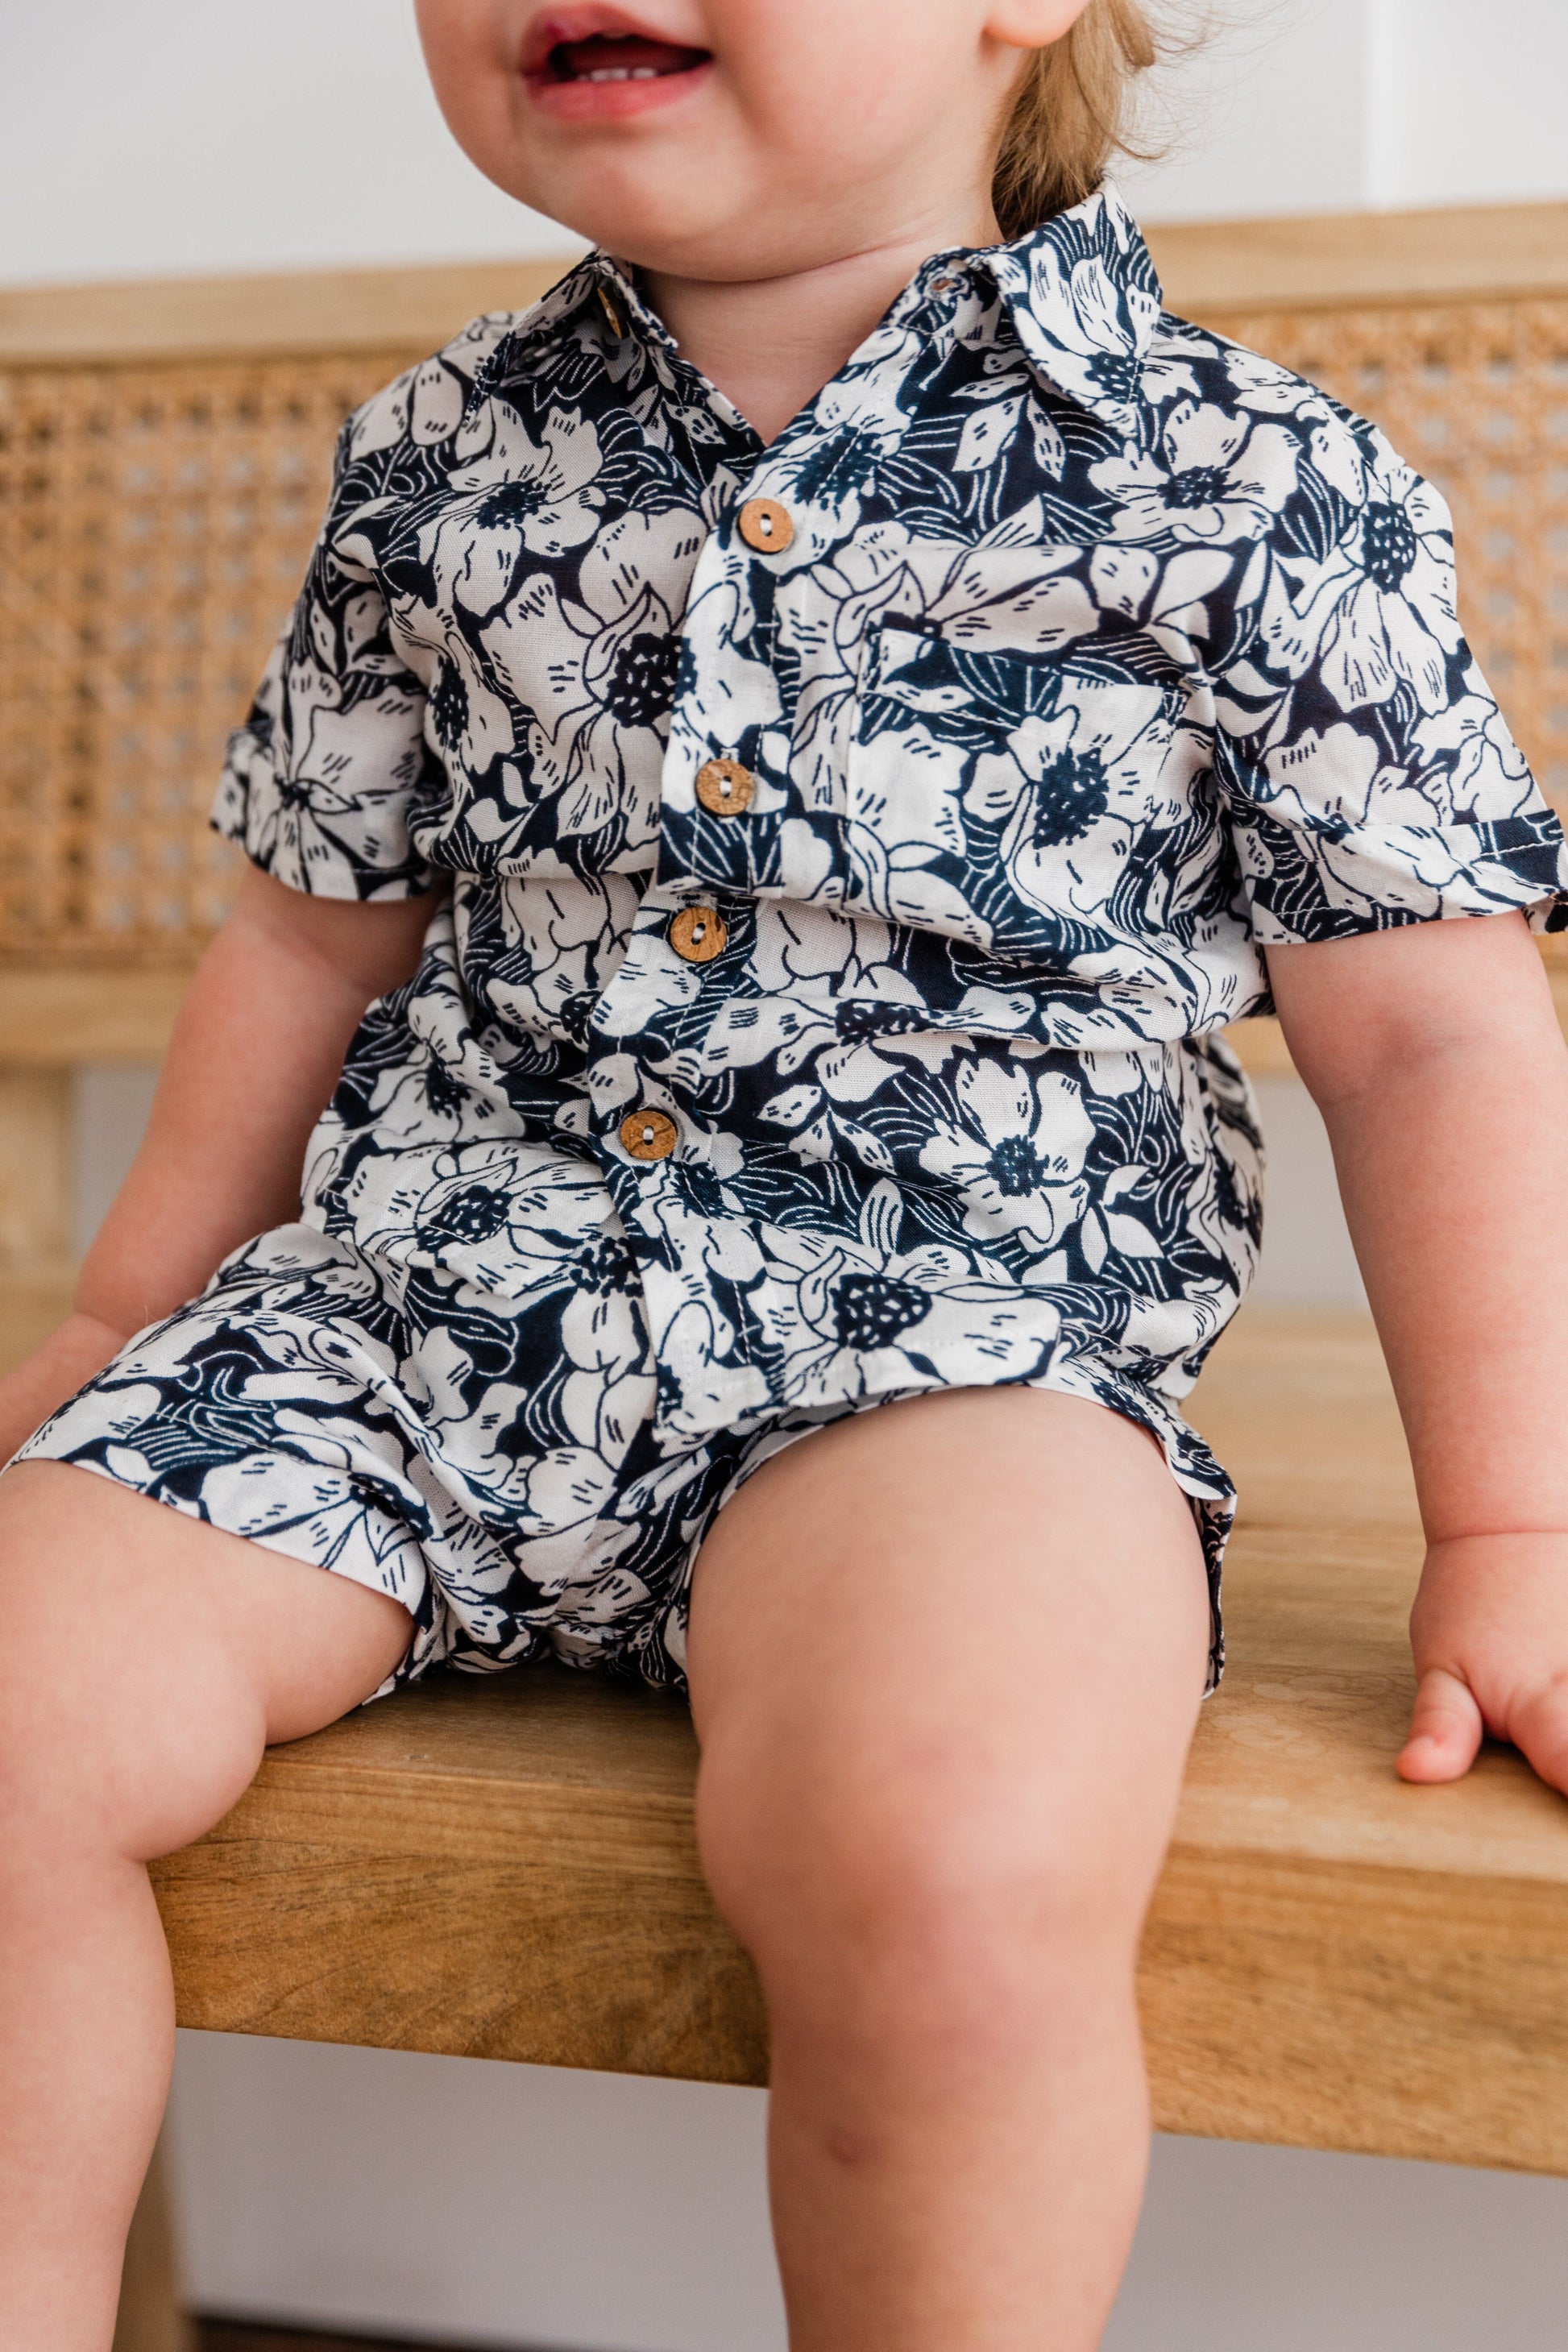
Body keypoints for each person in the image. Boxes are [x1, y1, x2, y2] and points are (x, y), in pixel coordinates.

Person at [5, 2, 1568, 2344]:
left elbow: (1433, 1026)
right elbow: (302, 929)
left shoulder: (1242, 477)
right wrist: (132, 1318)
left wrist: (1516, 1530)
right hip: (419, 1320)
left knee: (945, 1861)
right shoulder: (435, 459)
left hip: (944, 1357)